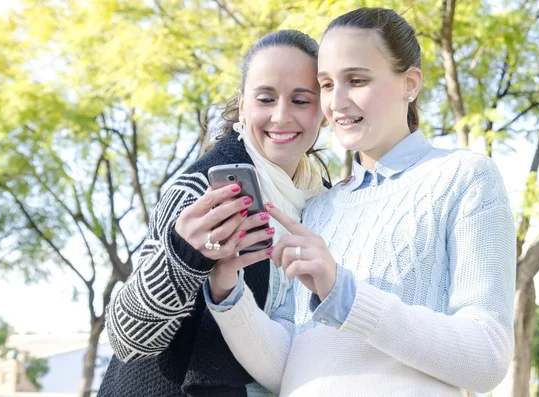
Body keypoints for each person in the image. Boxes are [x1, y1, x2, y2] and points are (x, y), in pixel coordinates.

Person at [206, 7, 516, 397]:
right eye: (327, 84)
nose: (337, 102)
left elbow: (487, 356)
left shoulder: (464, 177)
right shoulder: (318, 205)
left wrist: (345, 294)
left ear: (411, 83)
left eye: (356, 80)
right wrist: (227, 290)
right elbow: (288, 365)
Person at [98, 29, 330, 397]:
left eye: (301, 100)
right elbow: (127, 339)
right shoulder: (199, 192)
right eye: (266, 98)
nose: (281, 116)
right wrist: (182, 256)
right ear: (242, 105)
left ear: (326, 111)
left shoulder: (326, 201)